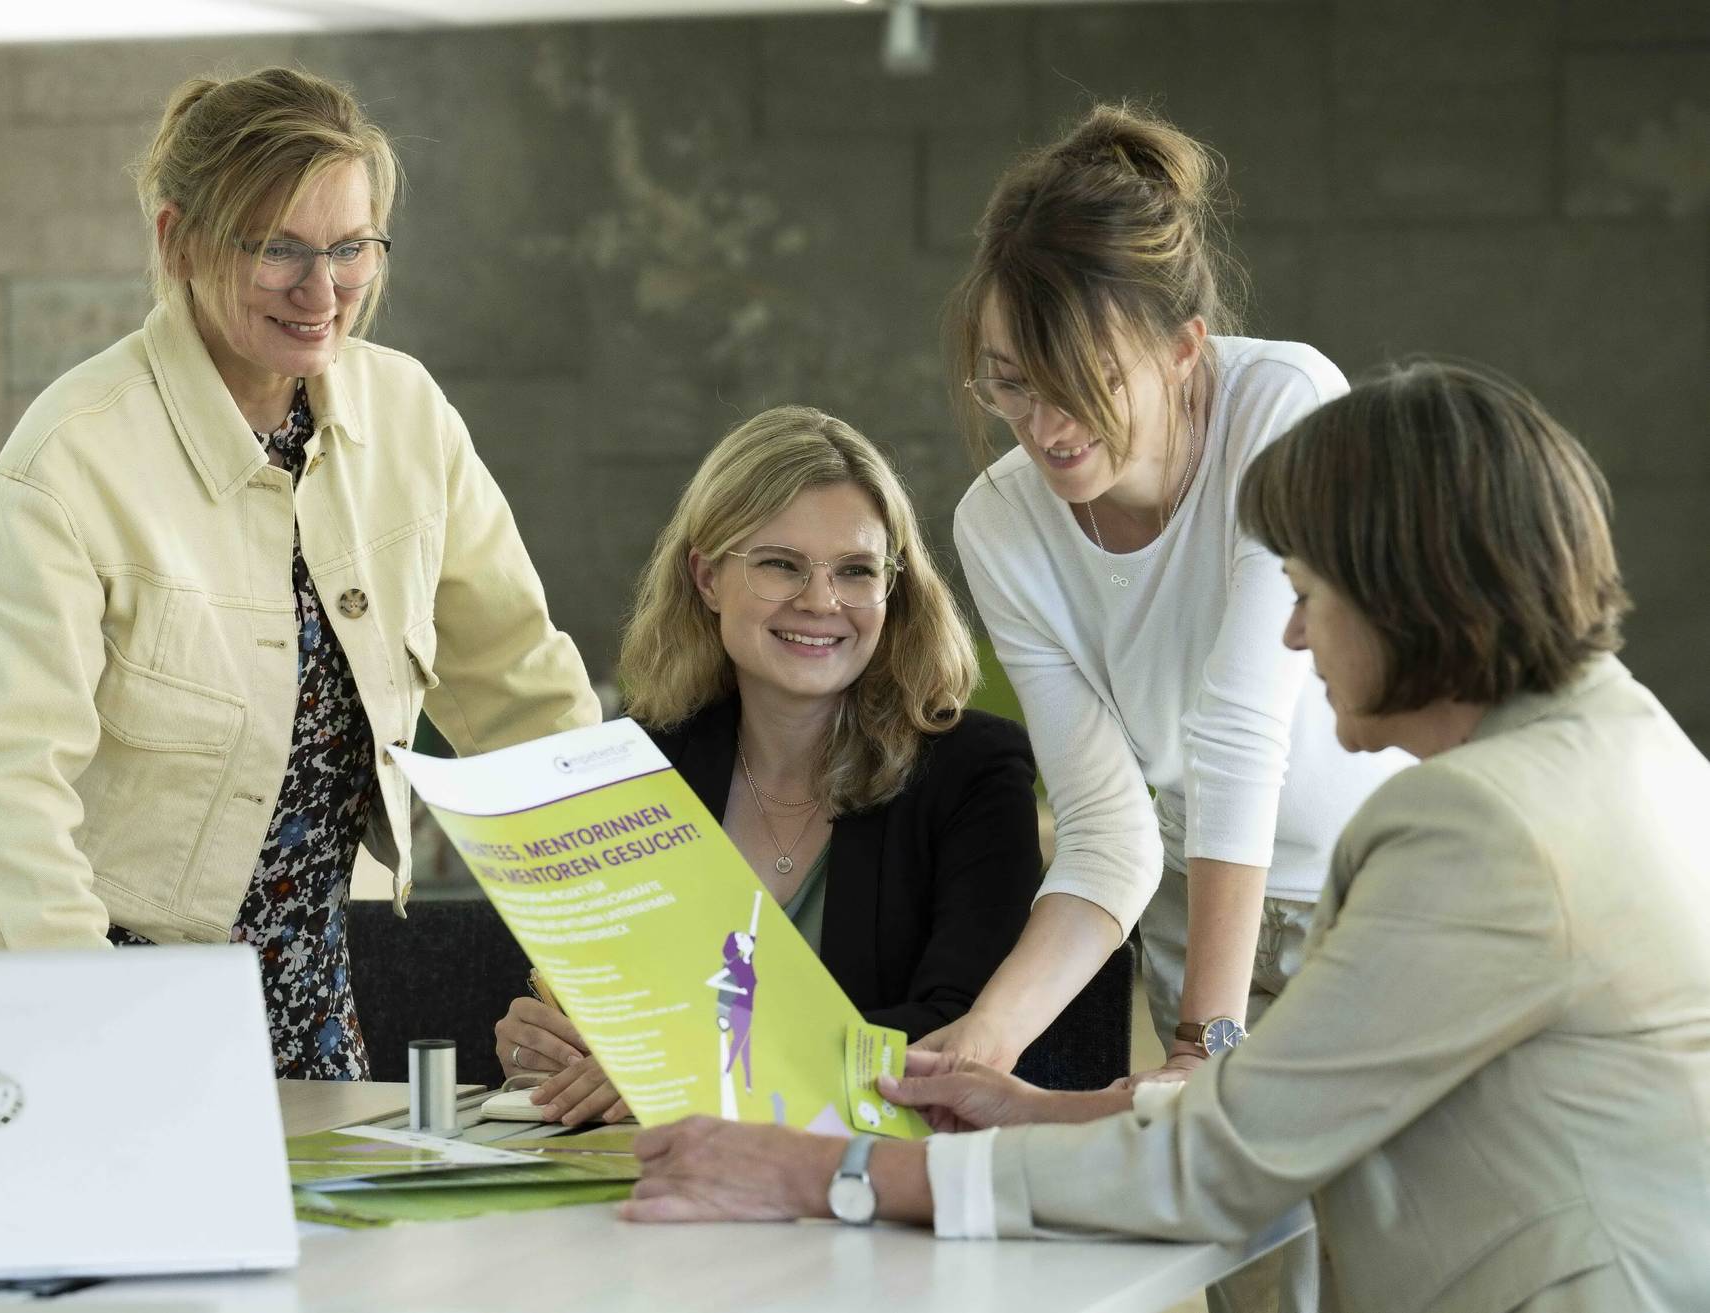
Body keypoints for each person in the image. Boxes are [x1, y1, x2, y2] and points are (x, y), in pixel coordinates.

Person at [621, 362, 1710, 1313]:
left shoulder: (1475, 825)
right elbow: (1279, 1108)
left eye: (1306, 590)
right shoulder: (1642, 749)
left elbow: (1217, 1163)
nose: (1293, 632)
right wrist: (1043, 1110)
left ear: (1404, 586)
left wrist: (822, 1171)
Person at [0, 67, 599, 1080]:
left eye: (350, 248)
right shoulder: (72, 458)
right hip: (63, 963)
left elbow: (529, 701)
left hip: (294, 970)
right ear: (177, 241)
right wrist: (92, 1037)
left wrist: (612, 960)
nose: (322, 291)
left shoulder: (407, 416)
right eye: (279, 248)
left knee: (327, 1239)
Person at [929, 105, 1407, 1098]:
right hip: (1205, 910)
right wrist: (987, 1034)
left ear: (1186, 348)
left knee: (1390, 1244)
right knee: (1240, 1249)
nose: (1045, 427)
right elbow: (1110, 827)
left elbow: (1241, 725)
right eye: (1011, 385)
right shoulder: (1000, 522)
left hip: (1380, 895)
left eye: (1084, 382)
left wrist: (1206, 1036)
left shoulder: (1282, 404)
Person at [493, 406, 1044, 1124]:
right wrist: (546, 1053)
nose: (821, 601)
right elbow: (611, 1017)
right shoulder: (635, 767)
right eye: (781, 565)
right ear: (708, 576)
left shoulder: (975, 772)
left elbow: (953, 1032)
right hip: (651, 1185)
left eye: (856, 570)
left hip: (879, 1192)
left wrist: (692, 1066)